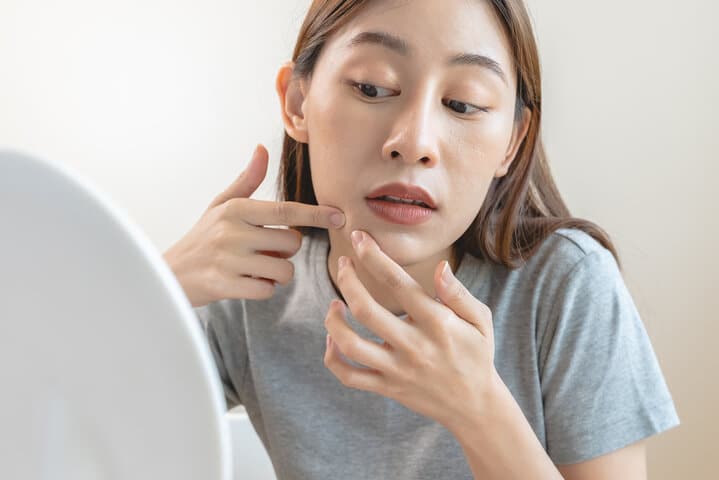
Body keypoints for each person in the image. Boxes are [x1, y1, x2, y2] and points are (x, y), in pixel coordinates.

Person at [163, 0, 680, 478]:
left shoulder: (567, 286)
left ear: (512, 141)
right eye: (372, 88)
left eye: (463, 103)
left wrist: (478, 410)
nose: (414, 143)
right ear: (297, 102)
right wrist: (161, 283)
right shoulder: (252, 285)